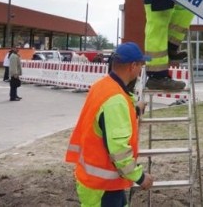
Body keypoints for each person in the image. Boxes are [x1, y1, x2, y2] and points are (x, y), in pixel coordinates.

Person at [65, 42, 154, 206]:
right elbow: (118, 148)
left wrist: (135, 111)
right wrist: (140, 177)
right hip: (103, 185)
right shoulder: (115, 100)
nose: (141, 70)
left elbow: (106, 122)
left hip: (97, 180)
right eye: (140, 65)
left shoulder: (102, 86)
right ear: (132, 66)